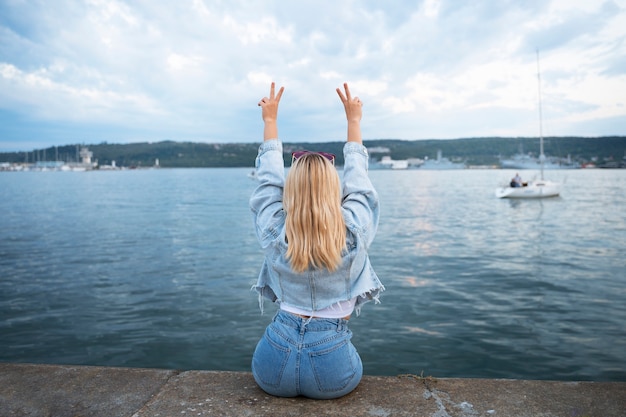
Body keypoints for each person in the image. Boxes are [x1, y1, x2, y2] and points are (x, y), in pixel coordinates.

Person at [249, 82, 384, 399]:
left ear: (290, 188)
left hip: (271, 365)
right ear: (333, 188)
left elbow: (268, 181)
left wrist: (270, 122)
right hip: (333, 367)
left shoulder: (274, 228)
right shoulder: (353, 229)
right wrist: (354, 122)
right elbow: (359, 182)